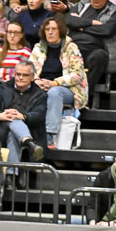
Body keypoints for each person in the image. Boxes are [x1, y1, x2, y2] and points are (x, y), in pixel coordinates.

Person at [30, 17, 88, 147]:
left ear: (60, 31)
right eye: (47, 29)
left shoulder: (71, 47)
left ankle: (49, 135)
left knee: (54, 93)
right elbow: (30, 69)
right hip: (42, 85)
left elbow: (77, 74)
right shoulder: (38, 47)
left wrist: (55, 83)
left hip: (68, 89)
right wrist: (37, 81)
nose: (50, 32)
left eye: (53, 29)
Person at [0, 59, 47, 167]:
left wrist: (23, 117)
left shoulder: (40, 94)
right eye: (18, 74)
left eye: (25, 75)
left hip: (30, 129)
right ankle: (28, 142)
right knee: (13, 119)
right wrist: (0, 115)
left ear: (32, 77)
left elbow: (39, 115)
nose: (20, 77)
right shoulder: (3, 88)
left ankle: (11, 174)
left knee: (13, 132)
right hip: (1, 128)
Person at [65, 0, 116, 89]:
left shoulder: (114, 10)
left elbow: (107, 30)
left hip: (95, 50)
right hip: (74, 48)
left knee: (99, 56)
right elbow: (69, 20)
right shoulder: (82, 6)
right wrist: (92, 23)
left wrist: (81, 26)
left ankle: (86, 92)